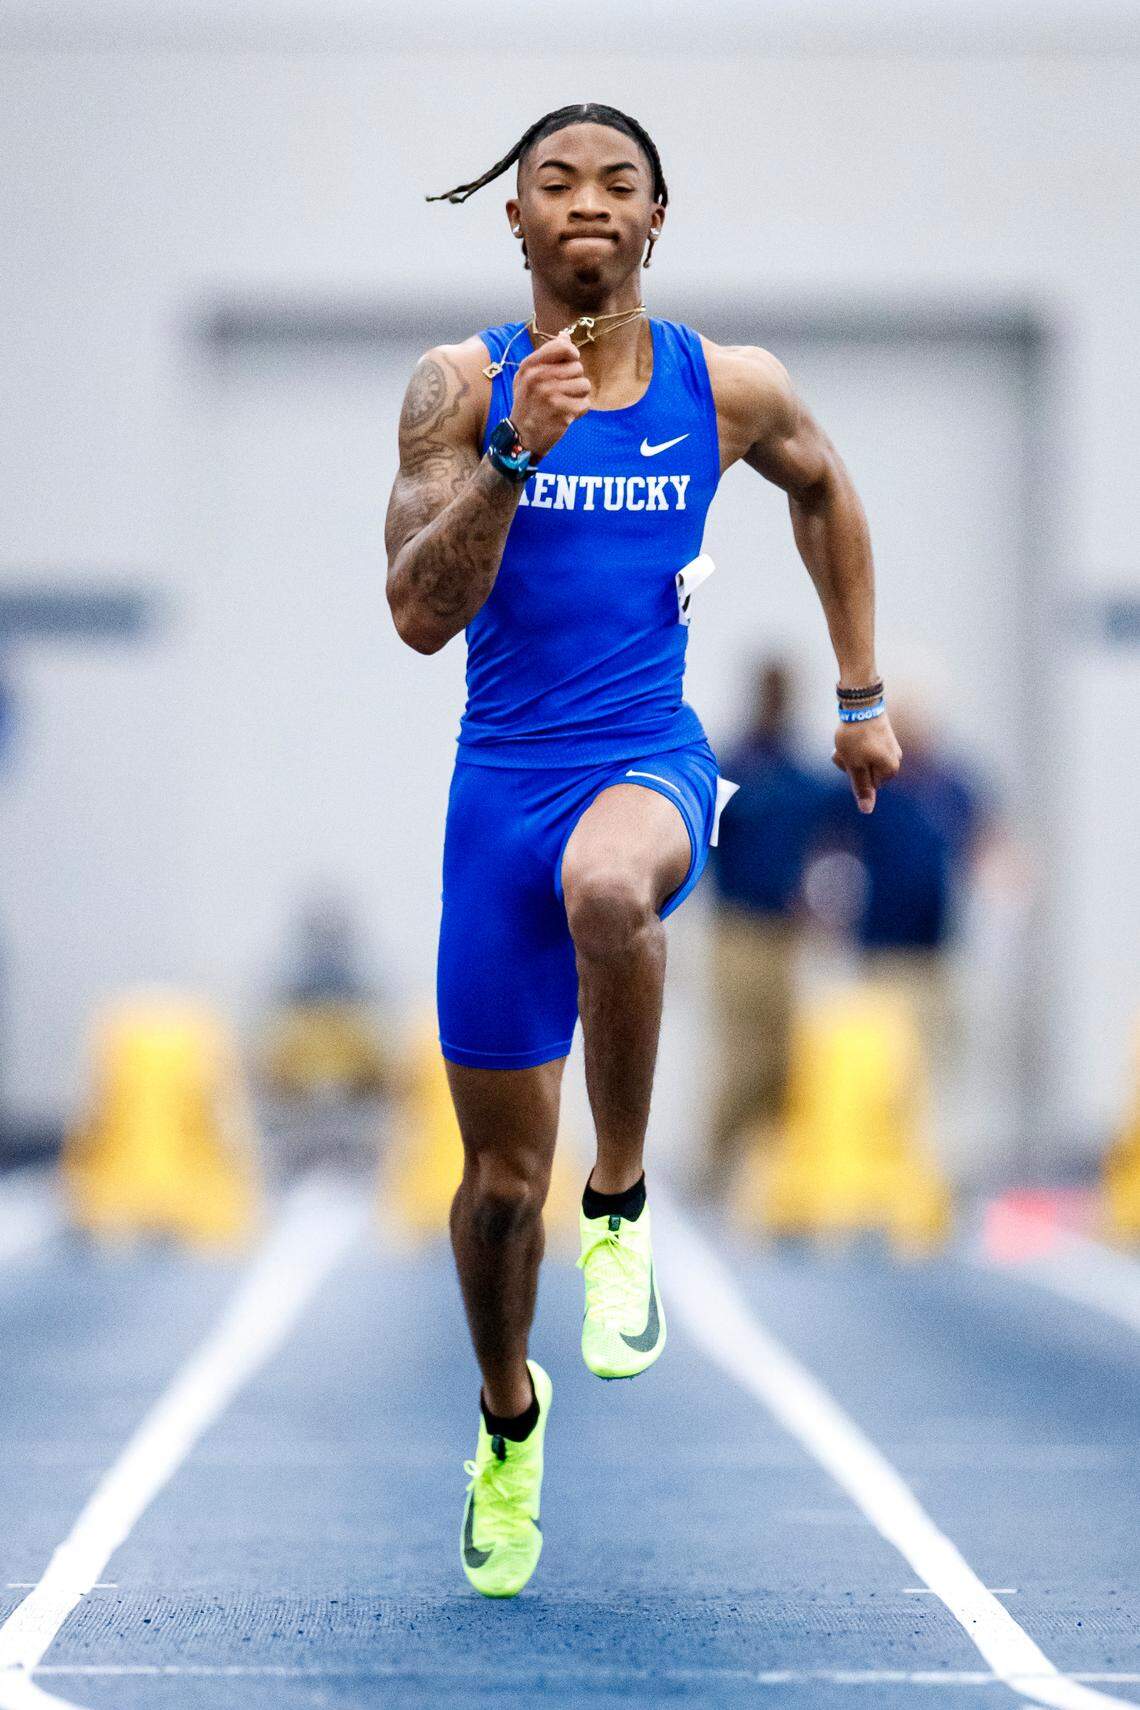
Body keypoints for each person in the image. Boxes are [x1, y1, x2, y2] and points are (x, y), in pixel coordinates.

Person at [384, 102, 900, 1598]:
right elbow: (419, 612)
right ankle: (506, 1417)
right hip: (500, 793)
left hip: (644, 760)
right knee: (492, 1193)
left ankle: (622, 1204)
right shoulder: (456, 384)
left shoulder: (722, 387)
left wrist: (860, 699)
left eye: (620, 183)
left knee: (613, 891)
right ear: (518, 222)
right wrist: (510, 453)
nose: (589, 202)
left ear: (657, 220)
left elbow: (827, 493)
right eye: (558, 182)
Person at [704, 657, 836, 1203]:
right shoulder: (731, 767)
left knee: (782, 1060)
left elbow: (834, 834)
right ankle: (714, 1170)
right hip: (737, 931)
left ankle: (771, 1172)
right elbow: (702, 844)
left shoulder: (800, 775)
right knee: (741, 1058)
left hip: (785, 935)